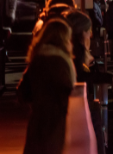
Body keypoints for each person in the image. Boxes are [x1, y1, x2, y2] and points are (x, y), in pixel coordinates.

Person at [17, 19, 75, 154]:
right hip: (57, 122)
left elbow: (23, 92)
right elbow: (68, 92)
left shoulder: (37, 59)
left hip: (37, 120)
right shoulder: (61, 62)